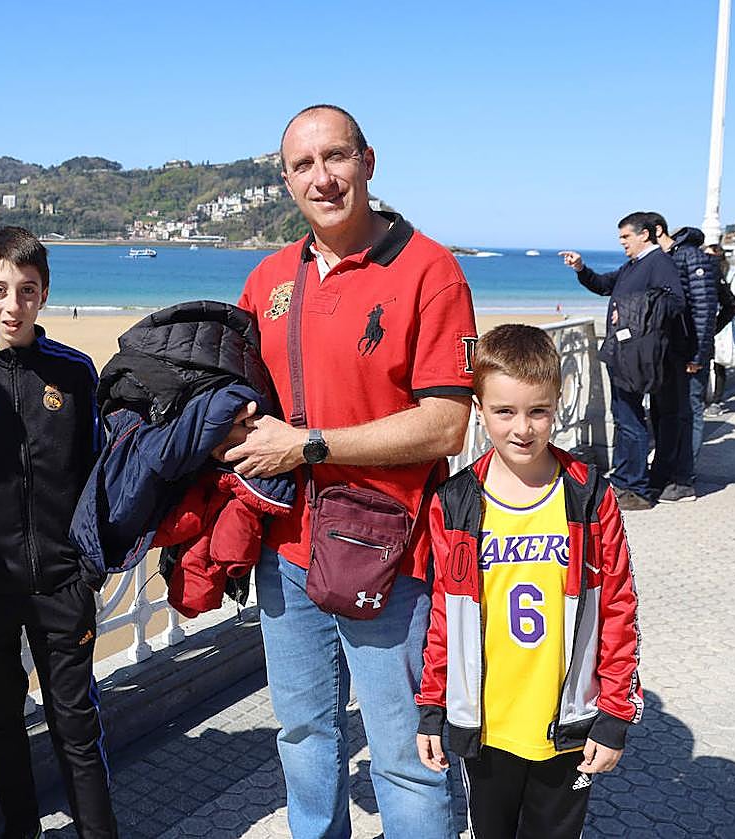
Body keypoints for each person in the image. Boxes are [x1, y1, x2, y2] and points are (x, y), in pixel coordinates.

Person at [222, 104, 475, 837]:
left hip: (390, 550)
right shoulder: (269, 278)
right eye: (303, 165)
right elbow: (237, 397)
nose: (322, 178)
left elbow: (447, 422)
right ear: (285, 180)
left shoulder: (430, 269)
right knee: (304, 740)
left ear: (369, 161)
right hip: (288, 551)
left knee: (405, 756)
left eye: (336, 157)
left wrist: (308, 445)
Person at [0, 226, 117, 839]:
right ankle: (20, 830)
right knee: (2, 721)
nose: (14, 305)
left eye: (27, 291)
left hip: (61, 582)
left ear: (45, 295)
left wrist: (89, 563)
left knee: (75, 721)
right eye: (0, 290)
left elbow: (97, 473)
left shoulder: (75, 372)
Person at [416, 324, 642, 839]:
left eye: (538, 411)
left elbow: (618, 609)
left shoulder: (589, 498)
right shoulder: (455, 502)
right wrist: (432, 708)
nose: (523, 428)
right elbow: (442, 616)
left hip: (566, 726)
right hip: (487, 725)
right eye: (505, 411)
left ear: (558, 402)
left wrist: (614, 714)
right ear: (479, 408)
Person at [560, 213, 685, 510]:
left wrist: (629, 311)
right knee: (623, 417)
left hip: (640, 356)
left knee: (631, 421)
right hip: (624, 353)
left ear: (644, 235)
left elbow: (675, 303)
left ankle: (638, 489)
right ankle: (624, 479)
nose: (623, 243)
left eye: (626, 237)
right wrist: (581, 269)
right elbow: (604, 285)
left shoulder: (660, 263)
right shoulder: (634, 265)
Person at [652, 214, 716, 502]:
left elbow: (703, 311)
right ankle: (671, 472)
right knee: (674, 414)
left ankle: (684, 480)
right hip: (675, 352)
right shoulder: (673, 257)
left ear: (656, 231)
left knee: (689, 412)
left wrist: (699, 353)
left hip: (690, 354)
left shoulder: (691, 256)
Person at [708, 244, 735, 408]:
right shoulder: (710, 273)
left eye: (710, 256)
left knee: (719, 362)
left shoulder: (731, 273)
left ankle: (716, 400)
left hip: (724, 324)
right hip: (711, 321)